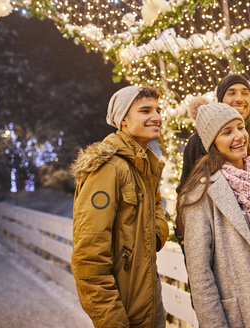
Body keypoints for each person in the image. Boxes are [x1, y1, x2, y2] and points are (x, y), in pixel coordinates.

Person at [176, 98, 250, 328]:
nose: (239, 136)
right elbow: (200, 273)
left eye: (240, 127)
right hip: (241, 309)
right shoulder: (201, 192)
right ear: (213, 142)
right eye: (227, 132)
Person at [70, 86, 169, 328]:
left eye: (157, 109)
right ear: (123, 119)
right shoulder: (109, 168)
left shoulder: (145, 165)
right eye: (145, 110)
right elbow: (88, 256)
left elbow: (156, 207)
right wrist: (111, 320)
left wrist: (154, 232)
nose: (156, 116)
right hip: (123, 311)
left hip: (148, 300)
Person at [176, 74, 250, 233]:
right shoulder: (199, 142)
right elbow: (185, 194)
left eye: (245, 93)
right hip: (221, 243)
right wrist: (184, 236)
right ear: (220, 99)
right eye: (231, 93)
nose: (239, 98)